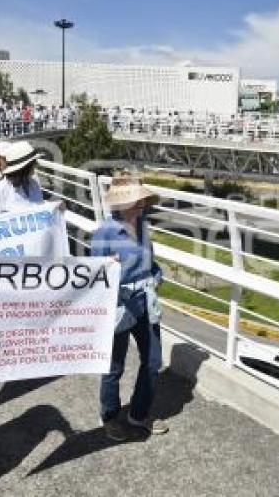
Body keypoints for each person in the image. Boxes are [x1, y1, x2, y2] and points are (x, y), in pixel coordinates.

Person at [91, 173, 167, 441]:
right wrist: (107, 268)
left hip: (146, 300)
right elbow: (95, 277)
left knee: (153, 361)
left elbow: (151, 263)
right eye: (136, 202)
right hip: (119, 303)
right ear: (120, 204)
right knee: (114, 365)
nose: (141, 206)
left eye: (142, 201)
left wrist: (157, 276)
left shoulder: (144, 225)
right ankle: (110, 416)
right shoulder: (104, 232)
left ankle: (138, 414)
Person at [0, 141, 44, 214]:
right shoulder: (0, 191)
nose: (36, 164)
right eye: (33, 163)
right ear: (24, 168)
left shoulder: (34, 183)